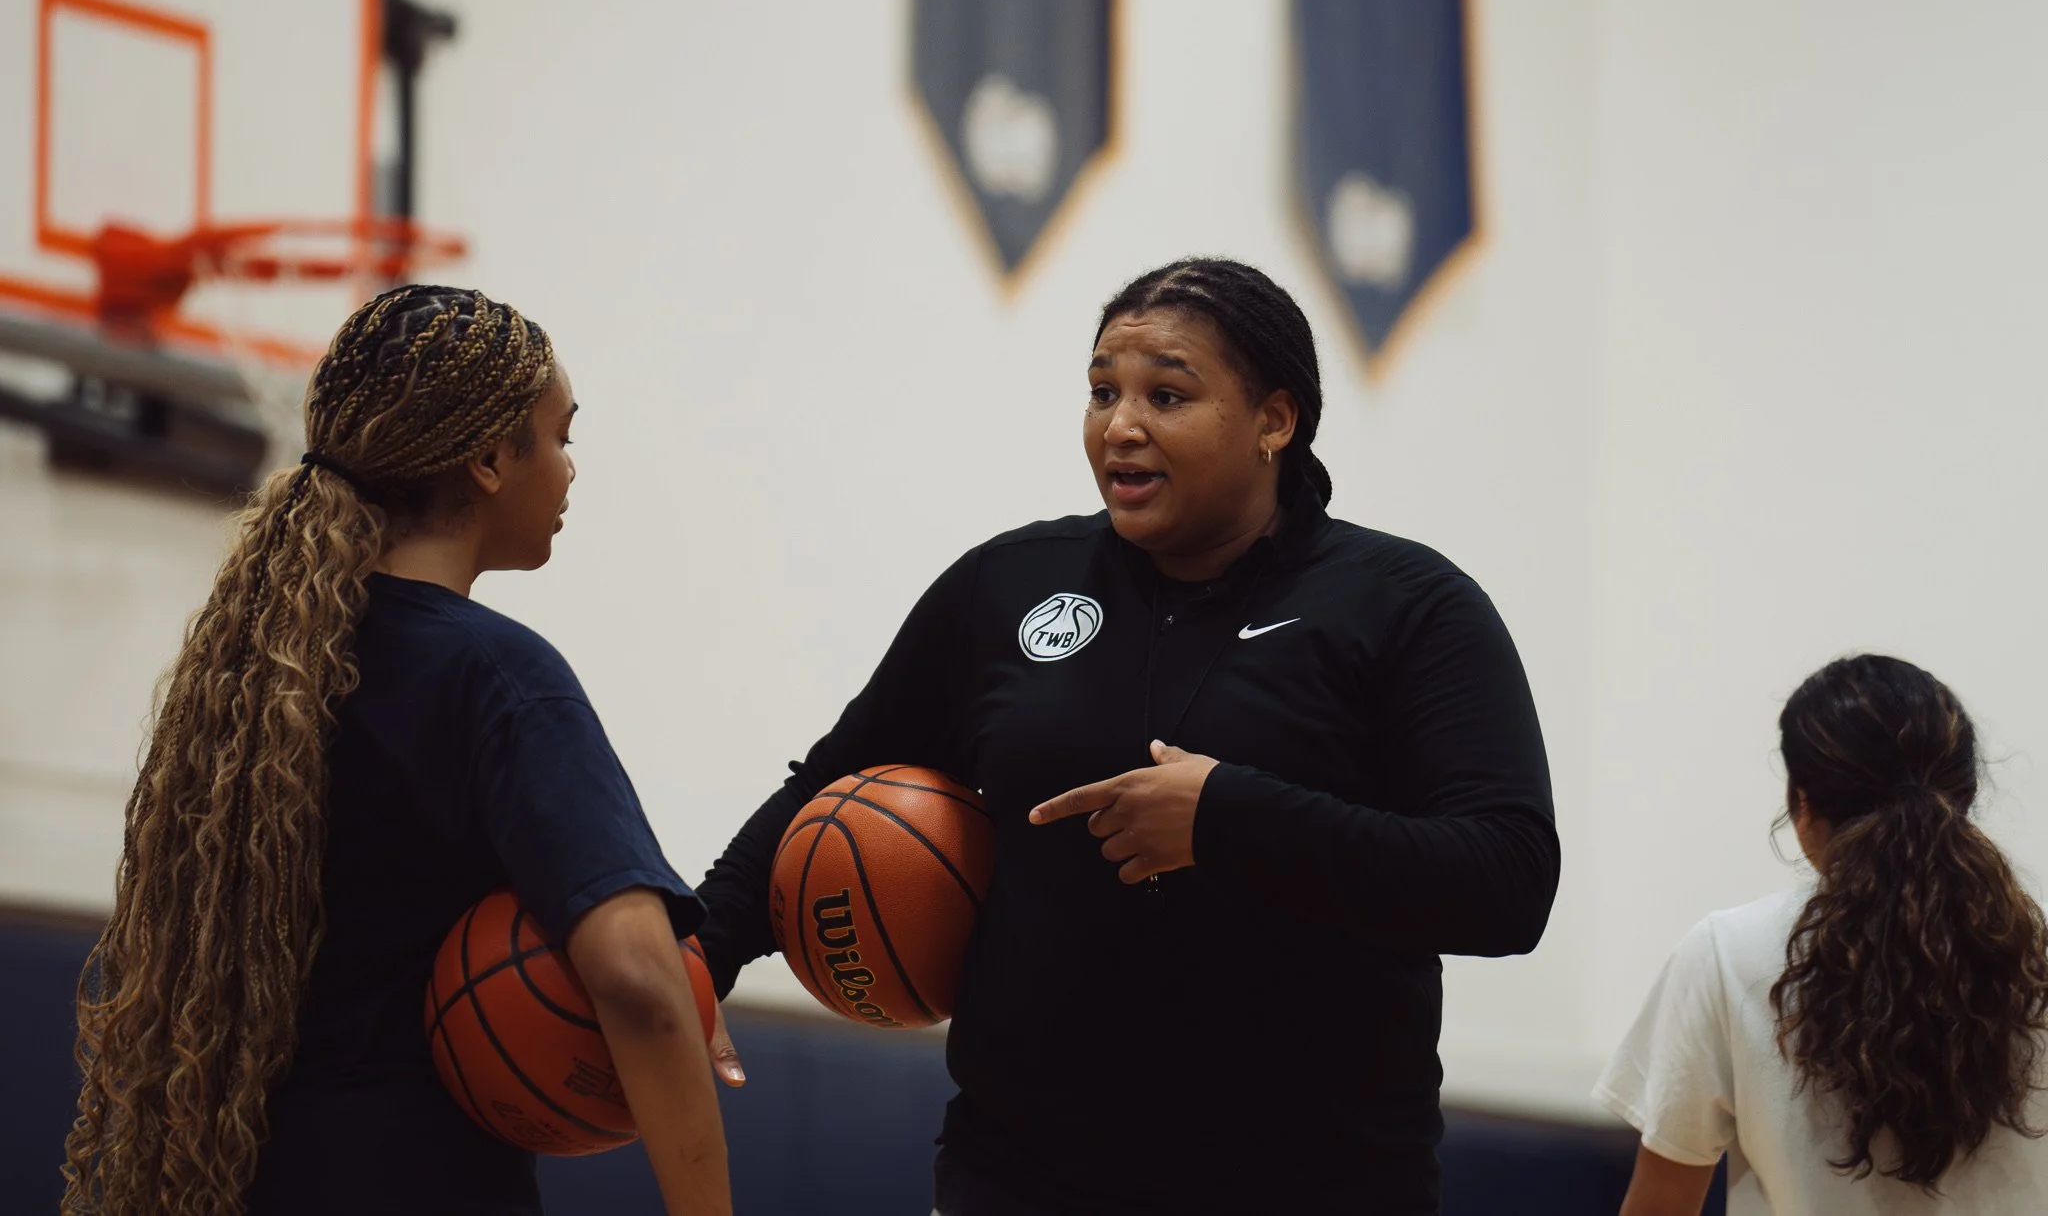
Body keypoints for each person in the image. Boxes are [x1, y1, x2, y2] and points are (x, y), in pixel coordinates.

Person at [696, 257, 1560, 1215]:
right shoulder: (1007, 584)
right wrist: (702, 948)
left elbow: (1508, 880)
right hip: (1018, 1177)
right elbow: (832, 783)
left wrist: (1229, 816)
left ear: (1276, 420)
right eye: (1103, 390)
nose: (1121, 425)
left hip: (1317, 1183)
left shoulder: (1408, 606)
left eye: (1168, 394)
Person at [60, 286, 737, 1216]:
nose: (573, 470)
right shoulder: (499, 674)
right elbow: (637, 976)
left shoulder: (257, 677)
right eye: (561, 436)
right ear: (492, 458)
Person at [1598, 654, 2048, 1215]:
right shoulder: (2035, 953)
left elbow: (1660, 1205)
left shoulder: (1726, 953)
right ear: (1963, 795)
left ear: (1803, 804)